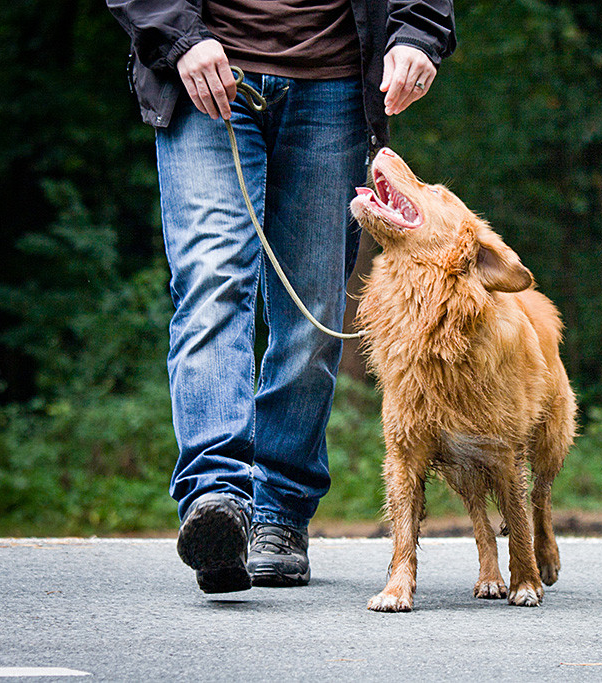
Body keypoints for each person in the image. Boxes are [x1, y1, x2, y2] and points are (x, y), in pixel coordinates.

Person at [106, 0, 456, 593]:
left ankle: (278, 514)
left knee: (313, 314)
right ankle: (216, 501)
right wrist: (181, 38)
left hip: (335, 85)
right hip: (205, 73)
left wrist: (417, 34)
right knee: (212, 283)